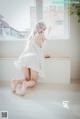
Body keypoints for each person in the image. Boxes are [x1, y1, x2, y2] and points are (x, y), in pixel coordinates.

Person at [11, 21, 48, 96]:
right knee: (33, 81)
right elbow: (41, 49)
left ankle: (15, 81)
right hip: (33, 58)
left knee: (27, 79)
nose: (44, 31)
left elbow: (31, 49)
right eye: (44, 29)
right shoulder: (41, 35)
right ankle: (25, 85)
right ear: (41, 29)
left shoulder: (30, 37)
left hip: (24, 58)